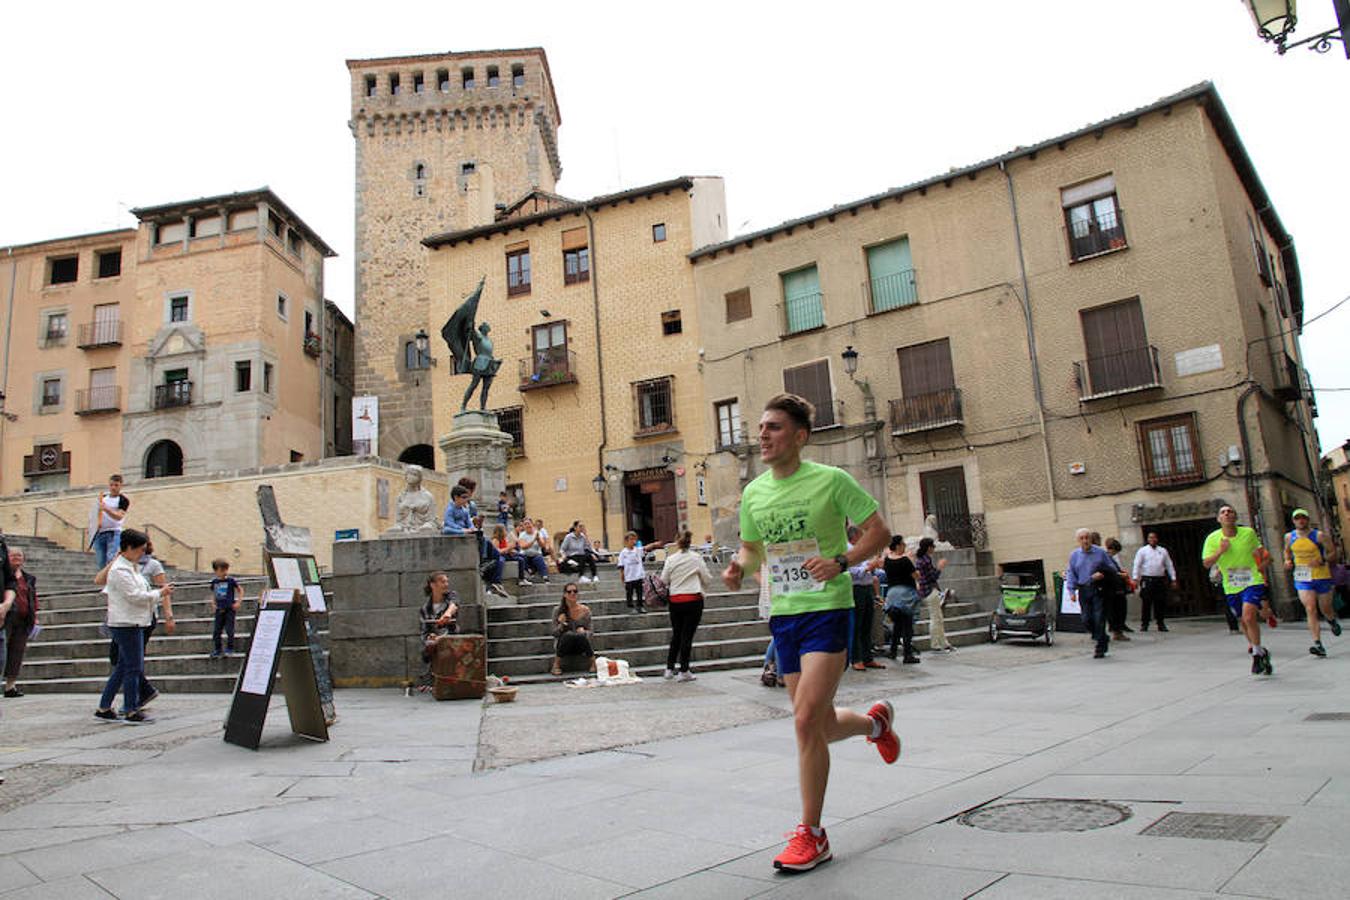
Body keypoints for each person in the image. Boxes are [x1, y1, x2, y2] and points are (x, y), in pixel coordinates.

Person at [721, 393, 895, 873]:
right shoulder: (755, 493)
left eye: (774, 427)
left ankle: (812, 835)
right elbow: (754, 549)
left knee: (803, 722)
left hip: (827, 609)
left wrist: (841, 561)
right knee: (815, 723)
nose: (762, 435)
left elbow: (878, 532)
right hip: (785, 614)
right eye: (760, 427)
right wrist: (739, 567)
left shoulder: (831, 481)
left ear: (799, 436)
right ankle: (875, 724)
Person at [95, 529, 173, 723]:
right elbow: (134, 596)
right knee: (133, 667)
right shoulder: (121, 569)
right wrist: (159, 594)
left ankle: (104, 707)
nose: (142, 554)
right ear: (128, 548)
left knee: (123, 666)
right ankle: (130, 709)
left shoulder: (130, 567)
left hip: (135, 620)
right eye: (139, 550)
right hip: (127, 623)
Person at [1202, 505, 1275, 675]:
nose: (1227, 514)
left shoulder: (1248, 533)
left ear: (1235, 517)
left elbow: (1263, 554)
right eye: (1223, 512)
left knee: (1249, 616)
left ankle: (1256, 654)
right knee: (1243, 620)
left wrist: (1261, 567)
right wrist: (1221, 550)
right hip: (1231, 585)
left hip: (1251, 581)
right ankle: (1262, 652)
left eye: (1230, 511)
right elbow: (1206, 563)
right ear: (1218, 519)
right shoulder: (1213, 539)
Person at [1283, 508, 1341, 658]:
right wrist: (1288, 561)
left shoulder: (1319, 536)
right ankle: (1318, 644)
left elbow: (1333, 552)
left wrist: (1322, 560)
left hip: (1321, 575)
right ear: (1293, 521)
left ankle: (1331, 620)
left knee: (1325, 608)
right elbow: (1287, 552)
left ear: (1307, 520)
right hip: (1303, 578)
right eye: (1297, 518)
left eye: (1303, 518)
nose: (1300, 521)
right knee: (1310, 608)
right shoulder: (1289, 537)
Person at [660, 531, 714, 681]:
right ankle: (684, 669)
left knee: (676, 634)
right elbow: (707, 578)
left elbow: (663, 580)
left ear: (677, 542)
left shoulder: (670, 559)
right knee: (687, 636)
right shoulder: (696, 558)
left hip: (675, 600)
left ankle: (669, 668)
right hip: (693, 599)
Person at [444, 485, 507, 597]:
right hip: (458, 532)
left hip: (469, 533)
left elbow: (469, 522)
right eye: (463, 497)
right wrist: (463, 530)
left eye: (466, 497)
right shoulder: (450, 509)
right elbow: (449, 524)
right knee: (448, 530)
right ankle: (484, 564)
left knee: (496, 555)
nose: (466, 500)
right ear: (456, 497)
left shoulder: (464, 510)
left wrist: (472, 528)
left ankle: (489, 574)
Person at [1065, 528, 1117, 659]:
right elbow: (1071, 572)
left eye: (1087, 537)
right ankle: (1102, 636)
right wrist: (1071, 591)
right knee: (1086, 619)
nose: (1085, 541)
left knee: (1099, 617)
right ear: (1078, 541)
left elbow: (1112, 568)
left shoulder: (1100, 553)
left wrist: (1102, 574)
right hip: (1083, 589)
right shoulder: (1075, 555)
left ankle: (1100, 647)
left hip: (1098, 589)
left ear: (1090, 539)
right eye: (1081, 538)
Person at [845, 525, 884, 671]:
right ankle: (856, 658)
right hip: (856, 588)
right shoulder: (849, 549)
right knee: (858, 624)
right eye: (861, 535)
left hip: (867, 586)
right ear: (854, 536)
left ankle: (868, 657)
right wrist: (868, 567)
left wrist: (873, 564)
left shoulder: (861, 549)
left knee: (868, 623)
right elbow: (851, 571)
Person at [881, 535, 921, 664]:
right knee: (907, 625)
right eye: (903, 544)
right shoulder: (905, 560)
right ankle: (907, 654)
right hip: (906, 594)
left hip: (892, 595)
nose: (905, 546)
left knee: (897, 624)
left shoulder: (887, 560)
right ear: (898, 545)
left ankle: (893, 651)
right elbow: (916, 575)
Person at [417, 572, 459, 692]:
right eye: (442, 581)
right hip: (434, 640)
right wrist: (431, 636)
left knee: (440, 644)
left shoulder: (451, 596)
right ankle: (431, 679)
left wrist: (447, 614)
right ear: (433, 585)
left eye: (447, 581)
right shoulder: (425, 609)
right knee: (430, 645)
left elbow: (454, 605)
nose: (446, 584)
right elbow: (424, 631)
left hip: (451, 636)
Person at [3, 547, 33, 698]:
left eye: (19, 555)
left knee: (17, 652)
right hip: (6, 617)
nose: (16, 558)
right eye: (13, 555)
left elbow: (32, 597)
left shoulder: (28, 578)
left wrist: (35, 614)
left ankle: (10, 686)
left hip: (23, 618)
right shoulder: (4, 576)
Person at [915, 537, 954, 653]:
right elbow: (933, 576)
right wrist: (940, 567)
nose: (934, 549)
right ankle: (936, 644)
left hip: (927, 591)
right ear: (929, 548)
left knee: (938, 618)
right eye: (933, 546)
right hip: (930, 591)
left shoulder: (921, 560)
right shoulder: (926, 560)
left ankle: (944, 643)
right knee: (936, 618)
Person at [1132, 531, 1177, 632]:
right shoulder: (1142, 551)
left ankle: (1161, 623)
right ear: (1147, 539)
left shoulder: (1163, 551)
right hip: (1147, 579)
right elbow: (1137, 565)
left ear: (1157, 539)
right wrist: (1135, 578)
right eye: (1150, 538)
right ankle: (1145, 624)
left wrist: (1173, 578)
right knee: (1146, 602)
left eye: (1154, 538)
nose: (1152, 540)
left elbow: (1169, 565)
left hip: (1159, 579)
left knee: (1160, 602)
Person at [550, 583, 594, 676]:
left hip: (581, 644)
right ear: (565, 594)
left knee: (579, 635)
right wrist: (561, 624)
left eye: (575, 591)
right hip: (563, 646)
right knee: (569, 635)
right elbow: (554, 633)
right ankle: (556, 665)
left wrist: (585, 632)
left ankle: (593, 663)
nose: (572, 594)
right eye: (569, 591)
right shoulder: (558, 610)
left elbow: (591, 631)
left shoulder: (585, 610)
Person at [90, 474, 130, 568]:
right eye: (111, 485)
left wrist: (106, 509)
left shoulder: (123, 500)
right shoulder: (103, 498)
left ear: (121, 486)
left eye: (116, 485)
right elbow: (94, 515)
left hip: (113, 532)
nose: (113, 488)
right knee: (101, 562)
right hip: (100, 532)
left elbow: (119, 516)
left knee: (111, 558)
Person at [209, 558, 242, 658]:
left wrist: (238, 602)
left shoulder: (231, 580)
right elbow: (214, 593)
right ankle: (218, 649)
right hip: (219, 609)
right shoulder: (215, 582)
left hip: (229, 609)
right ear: (216, 571)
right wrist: (213, 603)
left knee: (229, 629)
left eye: (225, 570)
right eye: (221, 570)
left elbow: (240, 590)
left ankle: (230, 648)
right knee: (217, 631)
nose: (224, 572)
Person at [1104, 537, 1131, 643]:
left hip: (1116, 587)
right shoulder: (1106, 558)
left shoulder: (1110, 558)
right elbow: (1110, 572)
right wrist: (1121, 575)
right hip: (1112, 588)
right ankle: (1117, 632)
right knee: (1116, 611)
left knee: (1119, 610)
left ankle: (1118, 630)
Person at [512, 519, 550, 585]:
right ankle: (528, 573)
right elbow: (523, 546)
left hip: (536, 554)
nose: (527, 525)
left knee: (539, 558)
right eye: (525, 524)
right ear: (524, 526)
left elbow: (542, 545)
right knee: (522, 558)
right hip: (525, 555)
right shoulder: (522, 534)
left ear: (532, 524)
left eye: (528, 523)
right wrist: (533, 540)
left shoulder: (538, 533)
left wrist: (538, 539)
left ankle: (545, 576)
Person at [617, 531, 647, 612]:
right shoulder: (623, 553)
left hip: (638, 575)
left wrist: (654, 545)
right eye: (631, 539)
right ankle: (630, 607)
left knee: (639, 592)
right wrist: (622, 577)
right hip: (629, 576)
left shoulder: (638, 550)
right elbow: (621, 566)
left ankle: (640, 606)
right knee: (629, 593)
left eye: (634, 539)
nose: (633, 541)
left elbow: (646, 549)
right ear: (626, 541)